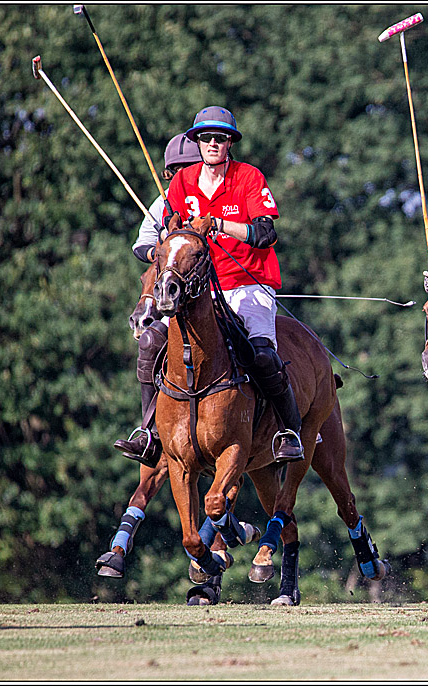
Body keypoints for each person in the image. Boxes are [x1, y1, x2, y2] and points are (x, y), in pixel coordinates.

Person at [159, 105, 304, 464]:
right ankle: (149, 431)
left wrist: (219, 225)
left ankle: (290, 432)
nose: (212, 143)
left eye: (219, 138)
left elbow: (265, 233)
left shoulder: (248, 178)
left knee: (263, 356)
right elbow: (168, 228)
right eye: (205, 137)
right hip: (200, 289)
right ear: (196, 141)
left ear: (229, 144)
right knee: (153, 345)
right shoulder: (183, 182)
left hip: (248, 283)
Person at [113, 132, 203, 467]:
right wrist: (162, 253)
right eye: (174, 170)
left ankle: (286, 425)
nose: (180, 175)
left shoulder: (213, 198)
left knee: (256, 341)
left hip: (219, 289)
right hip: (178, 294)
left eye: (188, 167)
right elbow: (141, 245)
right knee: (150, 340)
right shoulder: (164, 201)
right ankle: (149, 430)